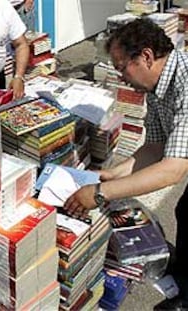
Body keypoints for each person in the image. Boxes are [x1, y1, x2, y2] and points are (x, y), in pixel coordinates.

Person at [63, 18, 188, 309]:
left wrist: (100, 193)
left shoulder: (185, 82)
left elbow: (174, 168)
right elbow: (154, 149)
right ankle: (181, 284)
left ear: (145, 56)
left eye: (121, 67)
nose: (120, 77)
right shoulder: (157, 88)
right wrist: (112, 174)